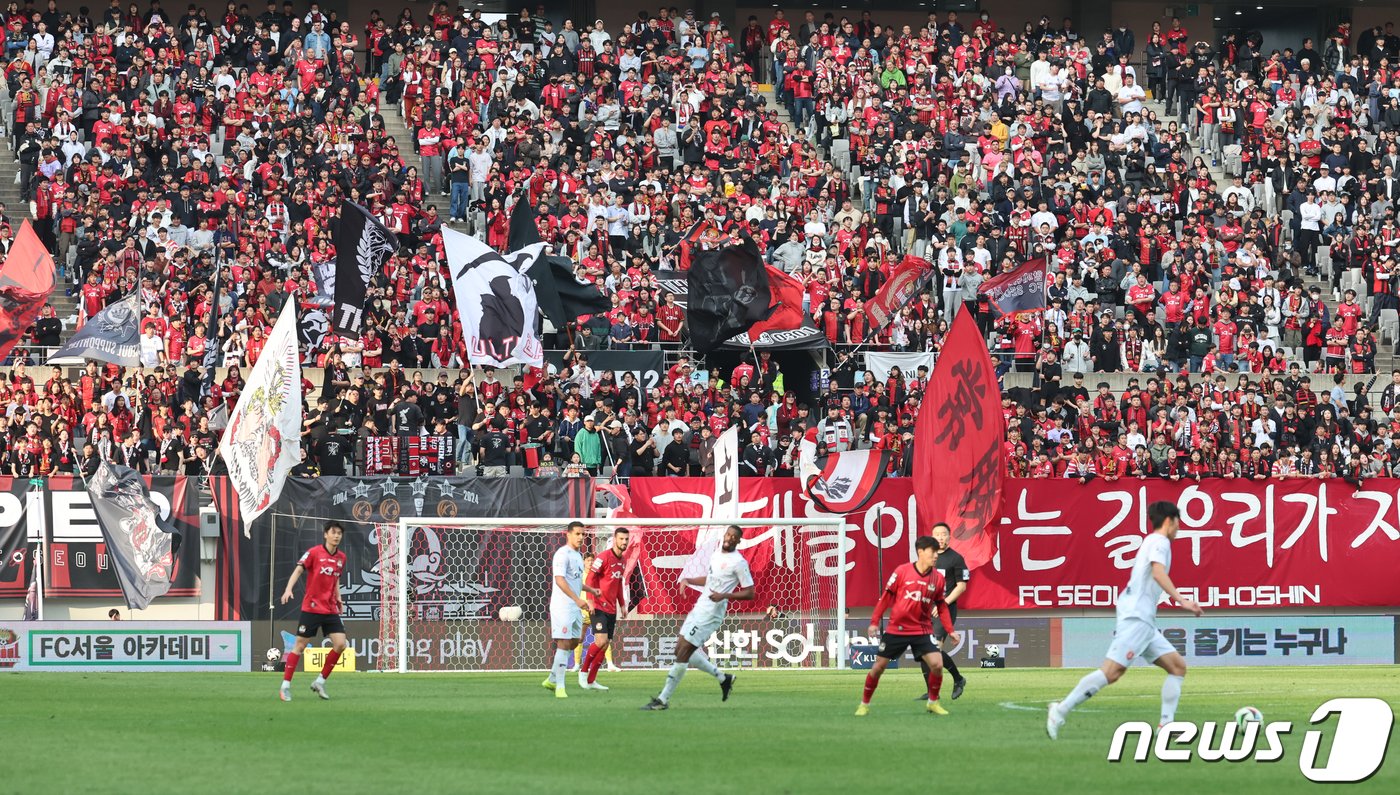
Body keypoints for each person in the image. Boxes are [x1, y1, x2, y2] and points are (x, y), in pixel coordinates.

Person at [1047, 501, 1203, 739]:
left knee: (1177, 667)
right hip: (1136, 617)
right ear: (1170, 521)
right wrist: (1182, 600)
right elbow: (1159, 572)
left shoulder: (1152, 541)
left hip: (1143, 619)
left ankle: (1165, 726)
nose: (1179, 528)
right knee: (1111, 672)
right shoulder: (1159, 542)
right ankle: (1060, 709)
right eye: (1178, 522)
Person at [641, 525, 750, 710]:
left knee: (683, 653)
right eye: (728, 534)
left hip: (711, 613)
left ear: (738, 541)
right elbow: (711, 579)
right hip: (700, 607)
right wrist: (689, 580)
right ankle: (723, 678)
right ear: (725, 535)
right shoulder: (716, 555)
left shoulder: (738, 562)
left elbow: (750, 592)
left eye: (734, 537)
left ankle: (662, 700)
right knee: (680, 650)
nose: (730, 538)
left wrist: (725, 595)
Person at [856, 535, 960, 716]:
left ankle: (933, 702)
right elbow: (886, 598)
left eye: (937, 552)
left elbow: (942, 606)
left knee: (936, 664)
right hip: (897, 629)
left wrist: (950, 630)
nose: (936, 555)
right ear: (921, 552)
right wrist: (874, 622)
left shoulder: (938, 579)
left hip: (922, 629)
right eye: (932, 552)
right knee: (878, 667)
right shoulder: (902, 571)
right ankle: (864, 704)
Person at [278, 522, 349, 702]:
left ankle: (320, 681)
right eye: (333, 532)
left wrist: (338, 597)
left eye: (339, 533)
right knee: (299, 646)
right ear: (325, 534)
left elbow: (336, 579)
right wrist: (288, 589)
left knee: (341, 644)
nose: (336, 536)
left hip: (330, 608)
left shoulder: (341, 557)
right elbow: (298, 570)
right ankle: (285, 686)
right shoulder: (314, 553)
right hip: (312, 607)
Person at [912, 522, 968, 700]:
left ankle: (958, 679)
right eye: (937, 534)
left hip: (945, 610)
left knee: (933, 649)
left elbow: (961, 586)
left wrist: (943, 602)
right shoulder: (928, 558)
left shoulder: (956, 559)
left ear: (950, 536)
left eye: (944, 534)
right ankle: (931, 692)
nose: (941, 537)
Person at [543, 521, 598, 699]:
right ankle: (560, 686)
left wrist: (590, 590)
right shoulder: (562, 554)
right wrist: (577, 599)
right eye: (577, 534)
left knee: (575, 641)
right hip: (563, 607)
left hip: (574, 607)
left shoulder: (578, 555)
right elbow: (560, 580)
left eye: (583, 534)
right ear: (568, 534)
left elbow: (575, 581)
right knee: (564, 644)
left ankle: (551, 678)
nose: (581, 537)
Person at [578, 527, 630, 690]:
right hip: (599, 606)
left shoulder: (623, 560)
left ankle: (591, 680)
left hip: (611, 609)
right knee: (600, 641)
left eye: (626, 539)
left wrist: (622, 604)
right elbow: (591, 579)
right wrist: (591, 601)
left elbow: (618, 584)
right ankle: (583, 671)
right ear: (614, 539)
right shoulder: (603, 557)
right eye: (621, 539)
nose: (624, 542)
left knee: (605, 644)